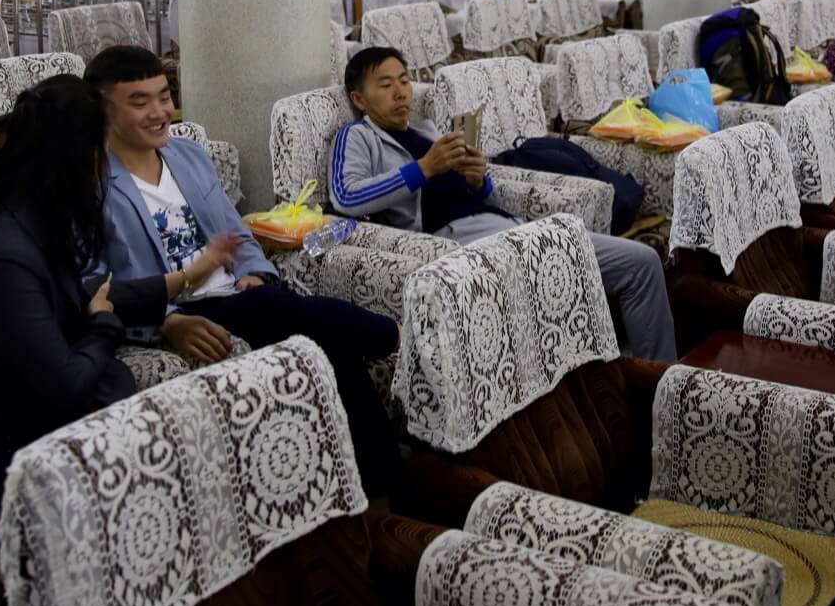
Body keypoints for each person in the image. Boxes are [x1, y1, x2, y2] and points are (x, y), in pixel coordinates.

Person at [85, 46, 399, 495]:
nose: (160, 112)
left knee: (324, 350)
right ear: (102, 110)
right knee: (285, 312)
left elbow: (238, 233)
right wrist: (166, 320)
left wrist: (258, 271)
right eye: (140, 102)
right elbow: (96, 285)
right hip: (188, 307)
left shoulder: (188, 155)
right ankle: (388, 336)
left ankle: (376, 488)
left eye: (164, 96)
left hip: (242, 295)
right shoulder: (93, 183)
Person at [0, 75, 185, 546]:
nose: (107, 166)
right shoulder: (4, 255)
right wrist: (103, 325)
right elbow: (69, 385)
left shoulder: (27, 215)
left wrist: (179, 285)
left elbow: (78, 295)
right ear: (80, 160)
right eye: (102, 150)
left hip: (25, 427)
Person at [330, 46, 676, 361]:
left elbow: (484, 197)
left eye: (404, 80)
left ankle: (656, 380)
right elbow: (346, 196)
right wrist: (424, 168)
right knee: (559, 283)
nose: (400, 91)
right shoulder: (359, 136)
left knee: (641, 262)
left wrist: (479, 181)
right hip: (458, 241)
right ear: (360, 99)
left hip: (508, 225)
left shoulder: (428, 131)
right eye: (385, 84)